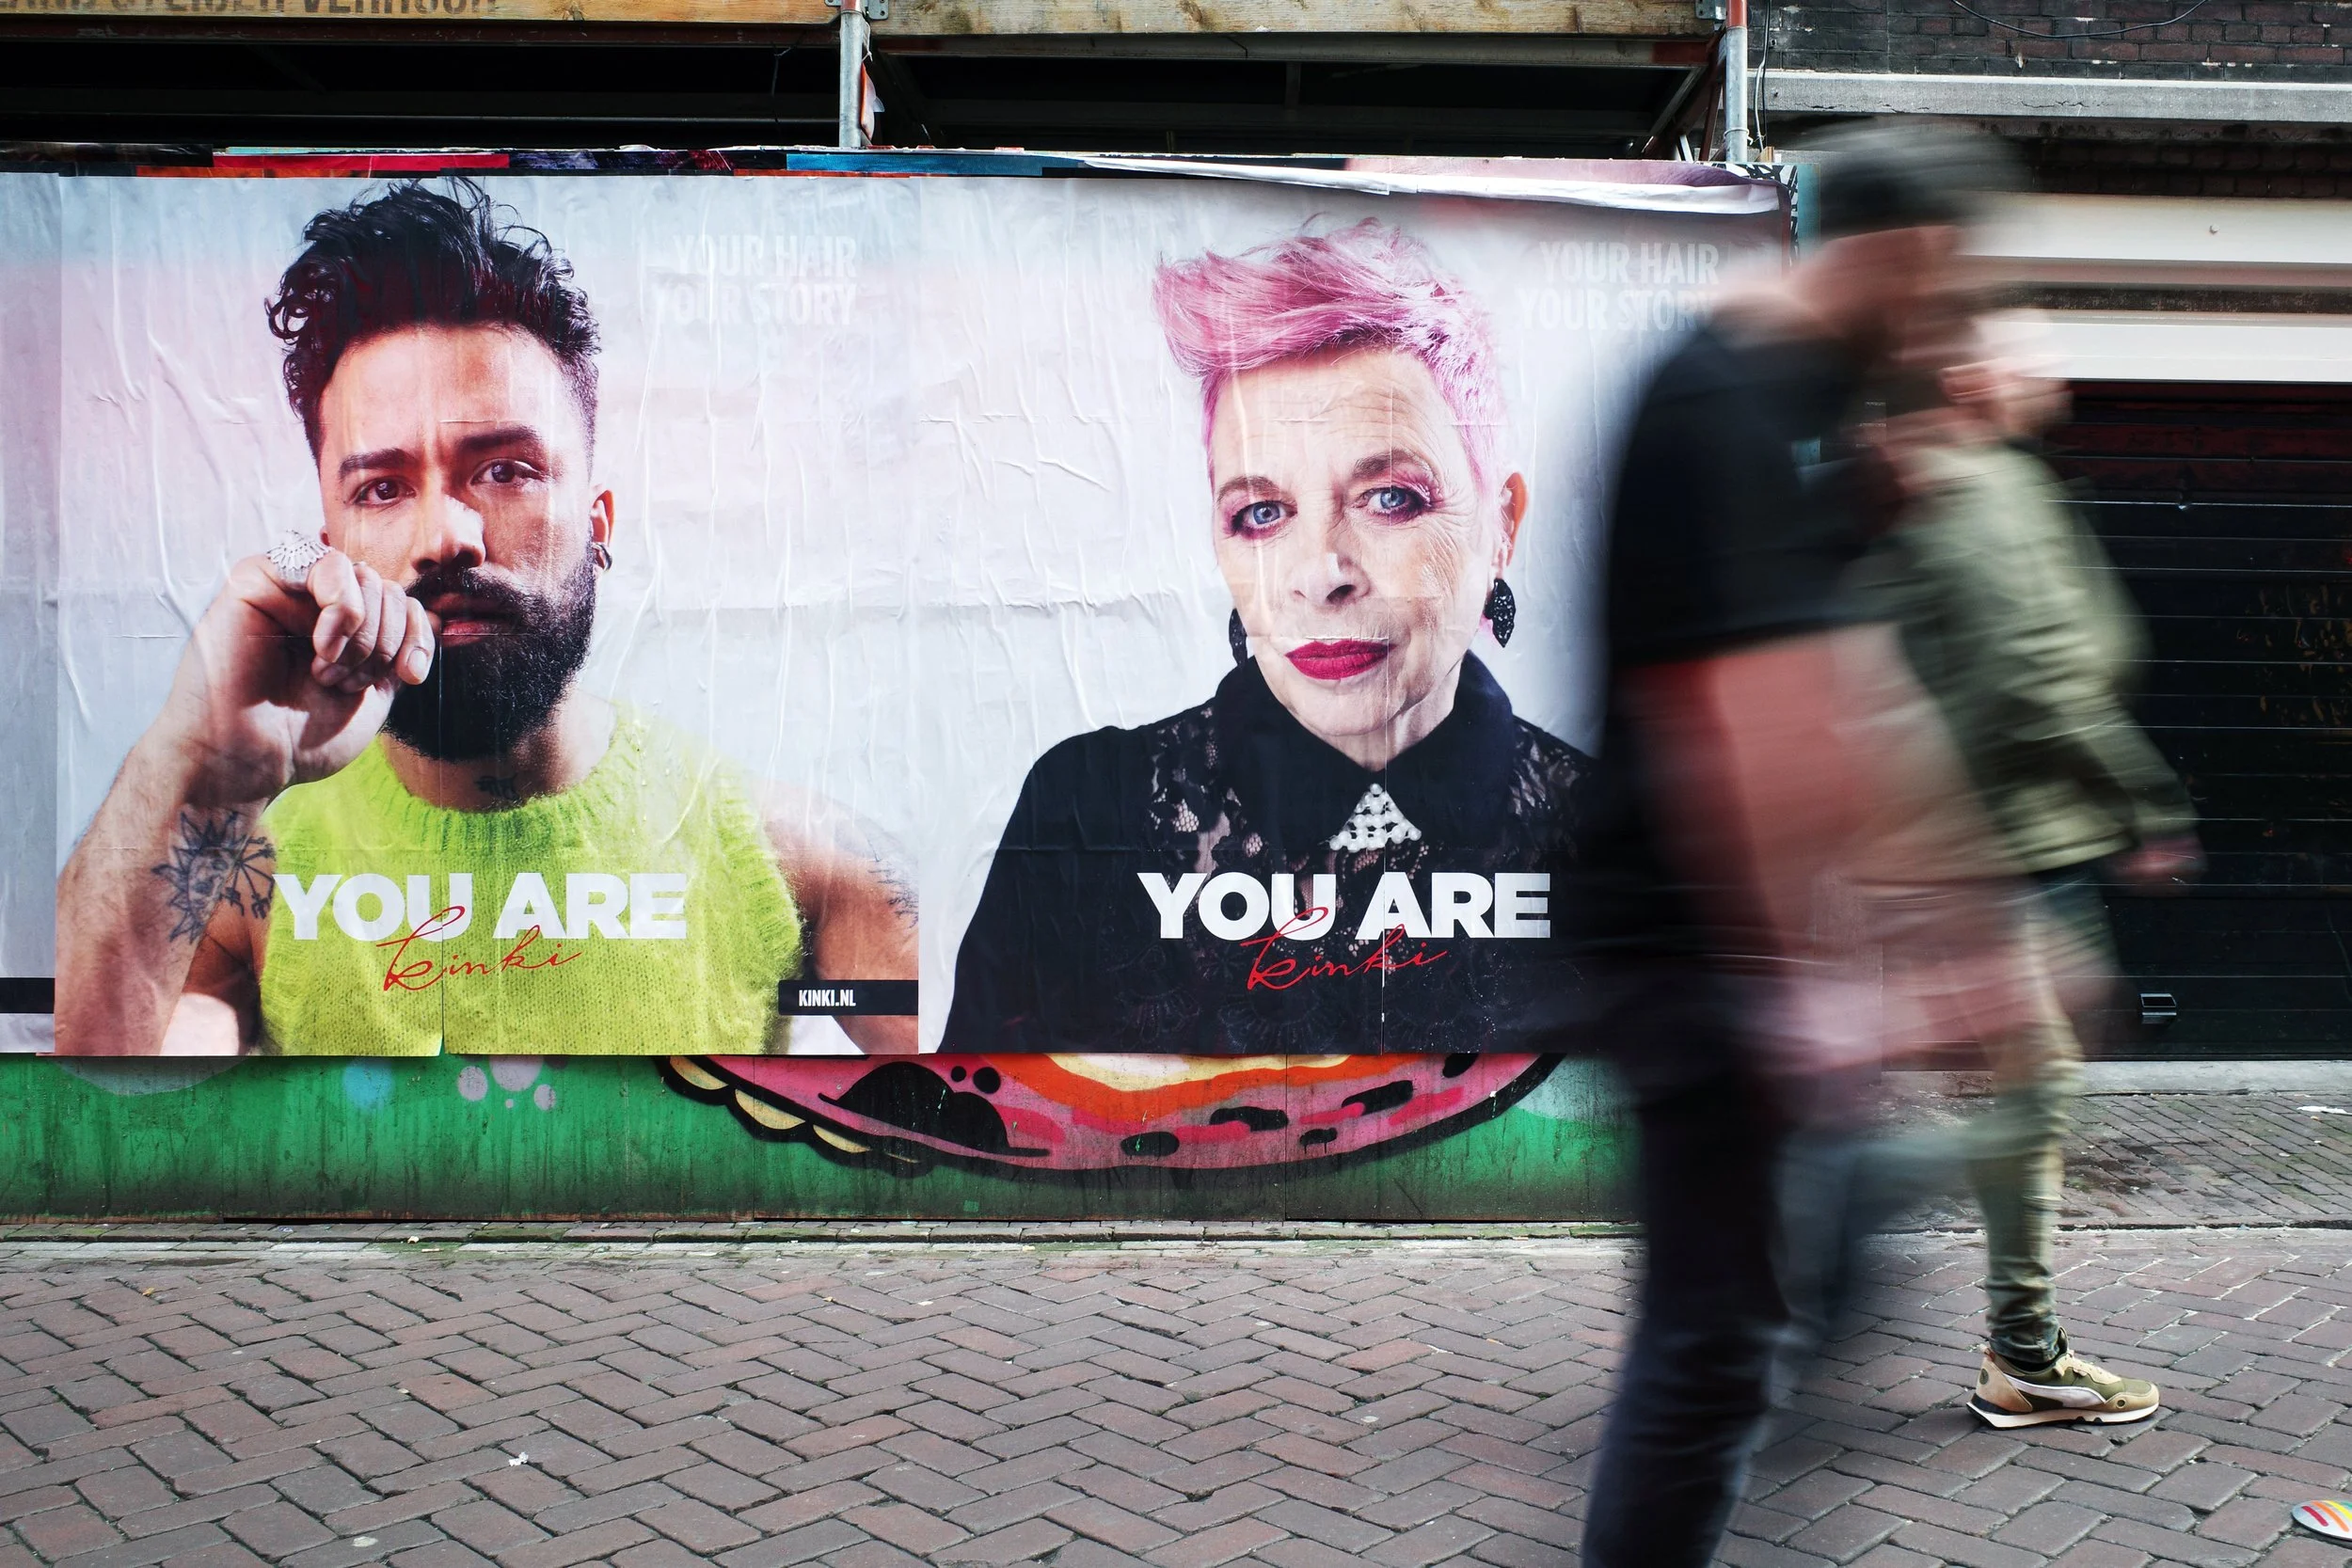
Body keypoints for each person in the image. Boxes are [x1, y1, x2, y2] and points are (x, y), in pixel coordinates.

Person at [55, 179, 918, 1058]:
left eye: (506, 471)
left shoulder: (798, 859)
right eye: (382, 488)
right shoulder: (247, 877)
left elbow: (979, 1113)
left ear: (598, 523)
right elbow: (111, 1104)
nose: (446, 536)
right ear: (330, 545)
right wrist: (196, 767)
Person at [1578, 126, 2029, 1568]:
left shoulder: (1801, 401)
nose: (1958, 320)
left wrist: (1946, 925)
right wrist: (1805, 978)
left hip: (1725, 940)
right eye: (1950, 284)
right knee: (1712, 1343)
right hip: (1690, 942)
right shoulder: (1725, 399)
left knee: (1782, 1289)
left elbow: (1846, 673)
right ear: (1898, 255)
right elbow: (1751, 718)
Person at [943, 219, 1587, 1055]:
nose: (1321, 574)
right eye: (1262, 513)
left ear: (1501, 527)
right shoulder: (1085, 812)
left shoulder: (1608, 828)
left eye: (1390, 498)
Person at [1832, 312, 2197, 1428]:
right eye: (2023, 346)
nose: (2050, 363)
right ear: (1966, 374)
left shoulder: (1978, 478)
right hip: (1994, 850)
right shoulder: (1980, 489)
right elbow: (2036, 677)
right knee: (2032, 1094)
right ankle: (1853, 1213)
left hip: (1984, 843)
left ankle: (2019, 1346)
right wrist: (2145, 804)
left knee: (2028, 1089)